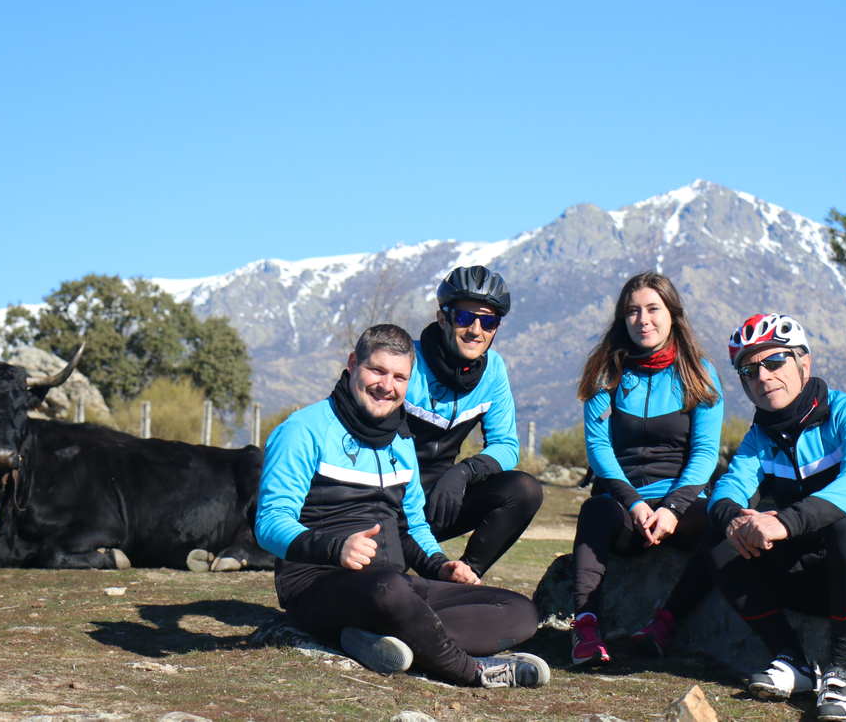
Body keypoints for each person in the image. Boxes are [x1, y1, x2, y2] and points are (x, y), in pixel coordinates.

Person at [255, 324, 550, 689]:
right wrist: (336, 548)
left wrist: (441, 567)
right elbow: (269, 523)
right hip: (318, 585)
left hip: (395, 589)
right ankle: (472, 671)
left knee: (519, 611)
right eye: (376, 370)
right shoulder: (303, 429)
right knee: (389, 589)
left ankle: (377, 638)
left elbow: (412, 527)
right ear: (352, 365)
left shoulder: (401, 438)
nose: (386, 385)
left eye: (399, 377)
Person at [702, 313, 846, 721]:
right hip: (818, 579)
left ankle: (842, 673)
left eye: (774, 362)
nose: (762, 376)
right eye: (749, 370)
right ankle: (794, 662)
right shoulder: (760, 437)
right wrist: (735, 519)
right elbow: (726, 489)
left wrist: (783, 521)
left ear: (804, 364)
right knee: (721, 543)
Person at [567, 272, 724, 666]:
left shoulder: (699, 373)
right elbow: (598, 448)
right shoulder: (606, 372)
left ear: (672, 313)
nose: (643, 319)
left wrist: (672, 508)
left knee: (727, 520)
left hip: (682, 507)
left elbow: (705, 453)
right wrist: (635, 504)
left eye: (653, 309)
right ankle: (585, 628)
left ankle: (664, 623)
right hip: (624, 507)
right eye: (632, 311)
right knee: (594, 511)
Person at [405, 266, 543, 578]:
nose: (476, 330)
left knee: (524, 489)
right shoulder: (407, 360)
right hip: (390, 502)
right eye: (465, 318)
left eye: (489, 321)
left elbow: (506, 446)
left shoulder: (494, 370)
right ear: (443, 319)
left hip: (442, 501)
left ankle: (462, 576)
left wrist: (463, 473)